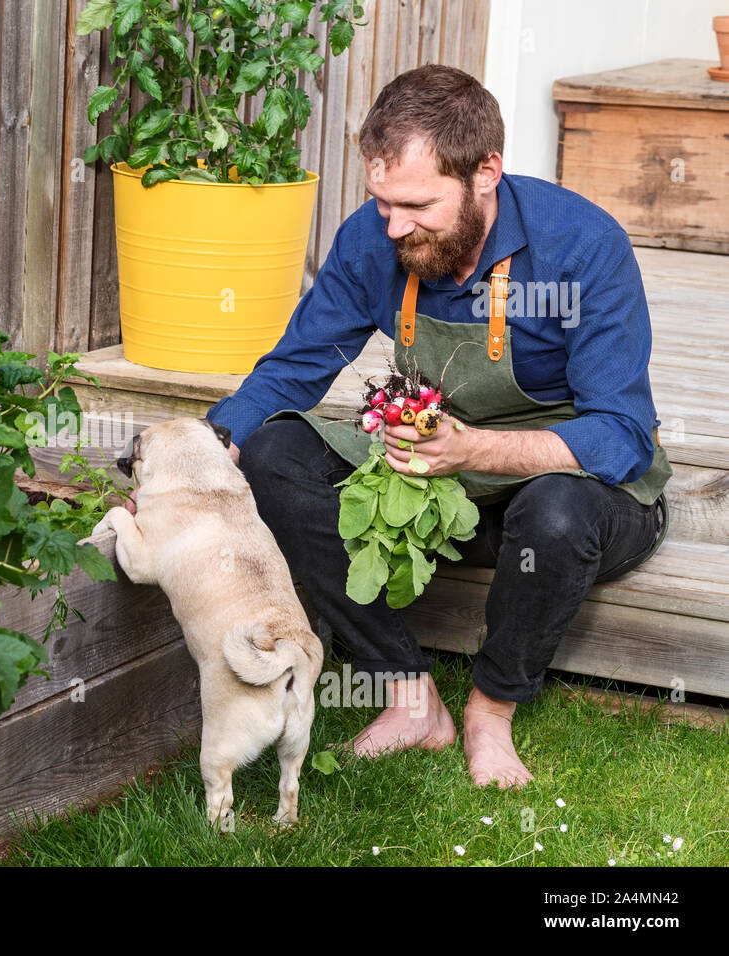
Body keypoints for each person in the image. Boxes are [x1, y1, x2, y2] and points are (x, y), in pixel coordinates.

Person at [188, 64, 671, 788]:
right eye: (382, 202)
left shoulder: (583, 247)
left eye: (415, 205)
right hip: (441, 494)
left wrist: (472, 447)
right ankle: (410, 697)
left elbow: (623, 436)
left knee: (559, 511)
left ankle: (490, 709)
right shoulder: (374, 239)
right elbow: (294, 368)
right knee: (273, 452)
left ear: (486, 173)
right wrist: (200, 454)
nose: (393, 225)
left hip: (573, 500)